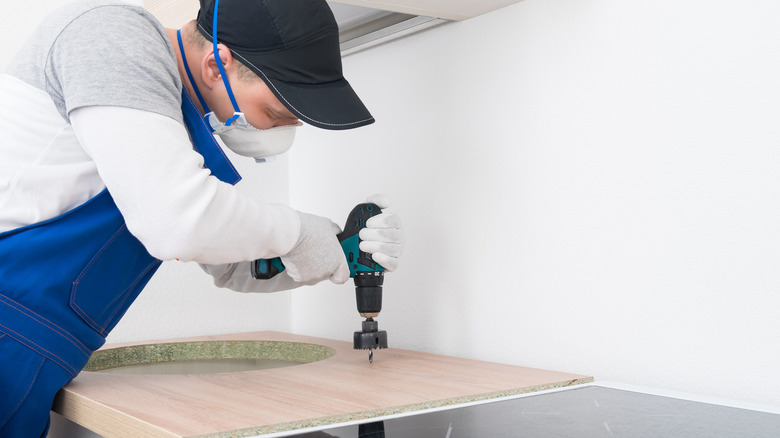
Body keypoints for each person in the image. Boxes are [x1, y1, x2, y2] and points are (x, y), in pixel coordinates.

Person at [0, 0, 404, 435]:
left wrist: (333, 251)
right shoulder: (114, 36)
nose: (281, 131)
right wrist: (299, 233)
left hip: (35, 353)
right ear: (216, 64)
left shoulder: (170, 118)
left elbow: (229, 264)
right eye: (274, 114)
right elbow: (178, 224)